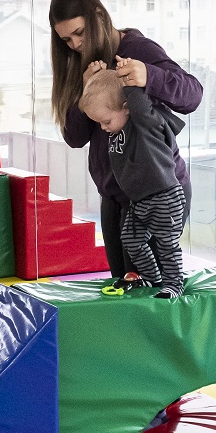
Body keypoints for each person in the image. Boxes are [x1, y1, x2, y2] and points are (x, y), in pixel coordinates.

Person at [49, 0, 202, 285]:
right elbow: (74, 137)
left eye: (79, 33)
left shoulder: (136, 50)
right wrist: (83, 95)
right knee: (125, 288)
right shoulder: (79, 62)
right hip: (115, 197)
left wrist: (149, 75)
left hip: (157, 195)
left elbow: (192, 95)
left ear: (98, 17)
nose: (75, 44)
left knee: (154, 290)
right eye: (66, 39)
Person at [79, 68, 187, 298]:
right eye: (98, 123)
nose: (103, 127)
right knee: (131, 239)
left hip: (164, 196)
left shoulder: (143, 125)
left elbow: (139, 105)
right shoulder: (116, 131)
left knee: (166, 245)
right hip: (139, 201)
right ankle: (152, 277)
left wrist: (129, 82)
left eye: (106, 121)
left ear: (127, 108)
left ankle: (174, 283)